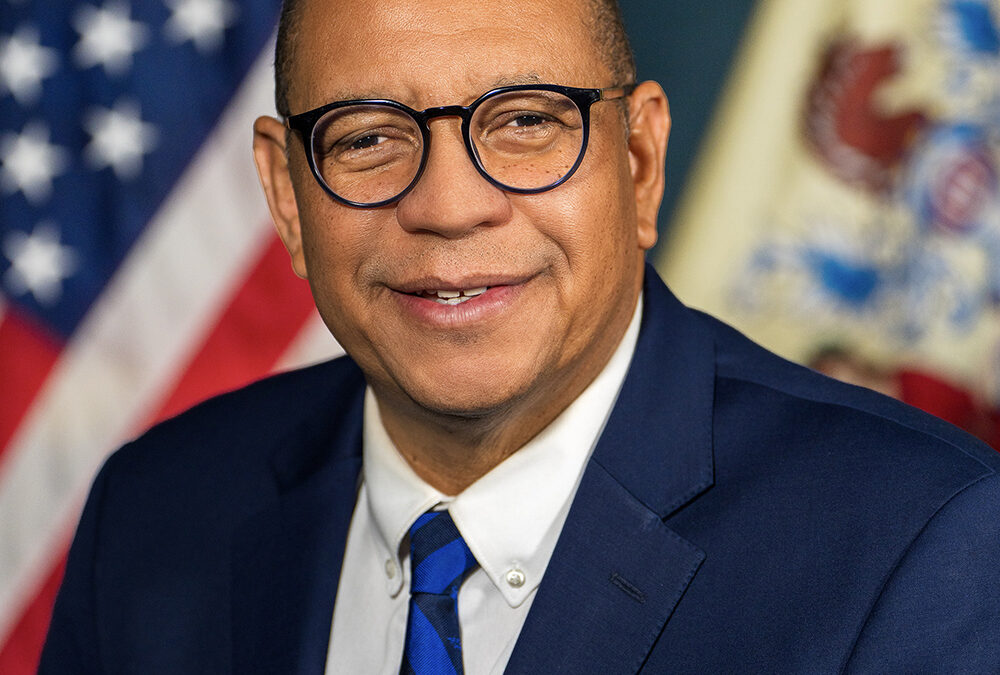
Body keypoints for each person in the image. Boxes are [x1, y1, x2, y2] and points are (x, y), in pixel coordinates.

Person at [40, 0, 1000, 672]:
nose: (449, 205)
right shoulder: (153, 515)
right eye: (368, 137)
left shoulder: (923, 546)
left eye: (527, 122)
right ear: (289, 197)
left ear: (639, 161)